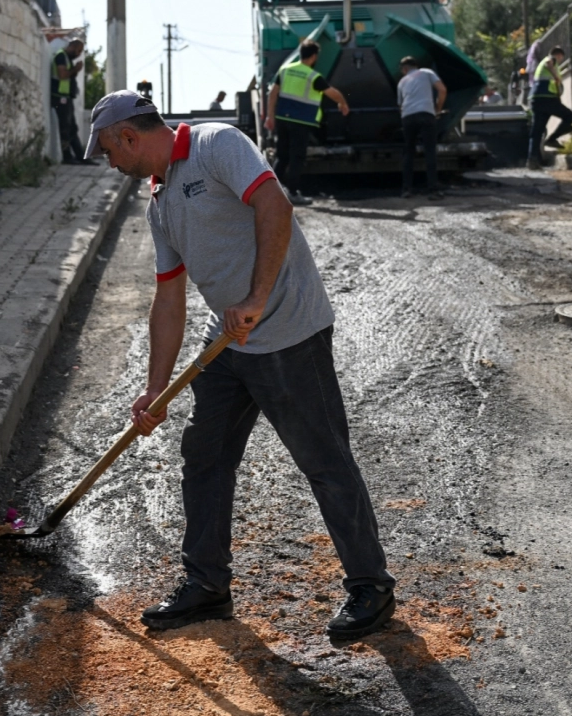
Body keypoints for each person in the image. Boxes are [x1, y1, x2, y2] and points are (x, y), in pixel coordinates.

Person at [84, 91, 397, 640]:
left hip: (288, 332)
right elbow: (169, 299)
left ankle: (371, 586)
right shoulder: (159, 203)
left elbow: (275, 205)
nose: (110, 163)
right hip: (228, 343)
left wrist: (256, 297)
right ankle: (207, 586)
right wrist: (155, 389)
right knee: (204, 456)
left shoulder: (216, 144)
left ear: (127, 138)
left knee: (323, 459)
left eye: (108, 152)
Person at [263, 39, 350, 206]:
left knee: (282, 155)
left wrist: (270, 116)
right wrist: (343, 103)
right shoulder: (312, 76)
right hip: (301, 121)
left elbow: (273, 93)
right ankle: (293, 192)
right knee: (297, 157)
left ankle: (267, 192)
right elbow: (332, 93)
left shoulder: (285, 70)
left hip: (282, 118)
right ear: (314, 56)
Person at [397, 56, 446, 199]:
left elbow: (400, 106)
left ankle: (406, 189)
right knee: (429, 151)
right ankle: (432, 190)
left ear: (405, 69)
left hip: (408, 117)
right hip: (426, 114)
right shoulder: (427, 72)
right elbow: (442, 90)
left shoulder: (401, 82)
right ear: (415, 66)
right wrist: (437, 108)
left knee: (409, 152)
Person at [527, 46, 572, 168]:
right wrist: (556, 76)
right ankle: (552, 139)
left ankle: (533, 160)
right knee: (570, 116)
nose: (559, 61)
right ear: (558, 55)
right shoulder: (551, 60)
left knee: (537, 131)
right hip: (547, 99)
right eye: (561, 58)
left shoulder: (540, 66)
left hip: (536, 99)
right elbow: (550, 63)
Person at [51, 38, 85, 164]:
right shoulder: (61, 56)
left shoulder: (66, 57)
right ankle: (67, 157)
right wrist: (75, 69)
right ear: (73, 46)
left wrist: (75, 70)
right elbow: (63, 75)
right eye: (78, 50)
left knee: (72, 128)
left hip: (66, 97)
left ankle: (80, 157)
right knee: (65, 128)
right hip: (60, 97)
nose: (79, 54)